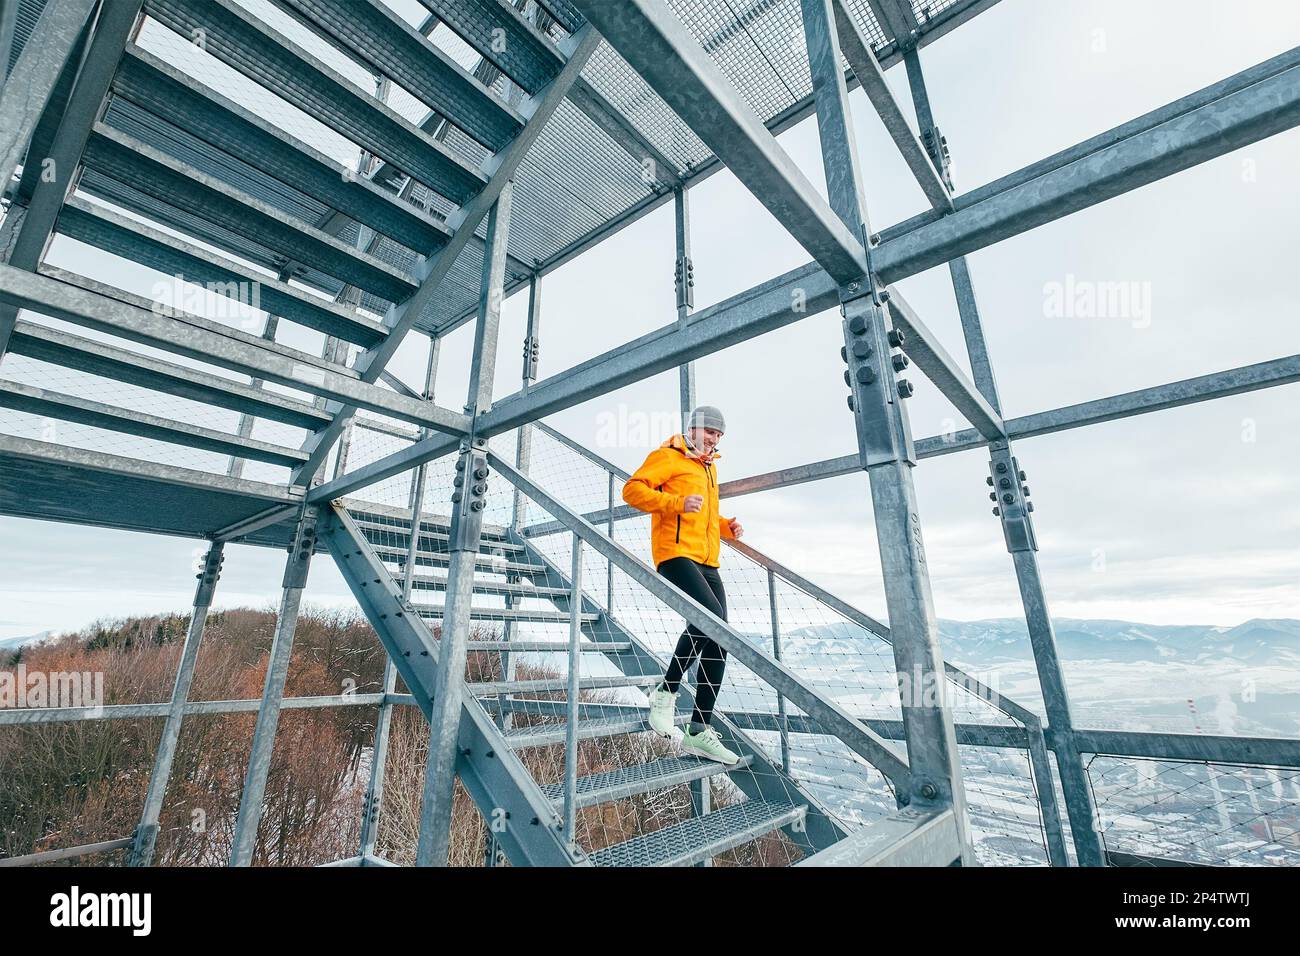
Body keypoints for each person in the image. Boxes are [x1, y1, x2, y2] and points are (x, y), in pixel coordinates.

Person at [621, 405, 744, 765]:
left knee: (719, 634)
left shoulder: (708, 468)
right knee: (712, 621)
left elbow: (703, 512)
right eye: (710, 432)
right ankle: (667, 691)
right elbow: (632, 490)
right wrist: (674, 502)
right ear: (692, 429)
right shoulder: (667, 457)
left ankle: (697, 730)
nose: (714, 439)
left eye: (719, 435)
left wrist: (726, 526)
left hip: (707, 559)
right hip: (674, 554)